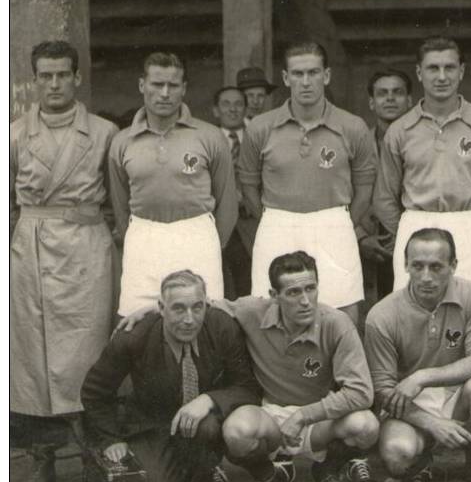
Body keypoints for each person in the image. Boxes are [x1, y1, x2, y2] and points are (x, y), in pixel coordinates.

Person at [10, 41, 119, 482]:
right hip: (31, 248)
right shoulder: (14, 134)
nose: (54, 84)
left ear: (77, 77)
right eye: (45, 76)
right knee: (32, 354)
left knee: (89, 349)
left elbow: (119, 199)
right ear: (35, 80)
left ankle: (95, 450)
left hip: (86, 251)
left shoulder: (105, 132)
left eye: (62, 75)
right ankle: (42, 456)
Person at [81, 270, 260, 482]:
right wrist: (111, 438)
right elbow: (94, 391)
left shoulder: (222, 327)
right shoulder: (133, 337)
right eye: (178, 309)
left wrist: (208, 399)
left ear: (206, 304)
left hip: (202, 428)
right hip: (152, 426)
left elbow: (247, 387)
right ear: (161, 309)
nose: (189, 319)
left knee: (207, 426)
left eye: (197, 308)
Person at [218, 251, 378, 482]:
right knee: (236, 432)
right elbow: (203, 306)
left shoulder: (336, 323)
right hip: (270, 415)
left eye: (310, 288)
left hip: (317, 418)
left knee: (366, 426)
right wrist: (148, 311)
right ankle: (266, 478)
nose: (305, 301)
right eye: (293, 292)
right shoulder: (251, 311)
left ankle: (328, 472)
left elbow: (362, 392)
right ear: (273, 294)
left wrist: (304, 416)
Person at [364, 228, 471, 482]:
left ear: (453, 265)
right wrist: (432, 423)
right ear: (405, 265)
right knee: (397, 454)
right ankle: (418, 469)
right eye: (418, 266)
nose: (426, 276)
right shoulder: (382, 315)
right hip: (408, 403)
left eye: (437, 267)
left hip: (456, 393)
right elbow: (384, 390)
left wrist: (423, 376)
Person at [239, 42, 376, 324]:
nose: (305, 82)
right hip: (278, 221)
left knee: (341, 311)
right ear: (286, 78)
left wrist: (342, 223)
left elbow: (364, 187)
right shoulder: (261, 127)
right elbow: (249, 185)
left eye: (313, 73)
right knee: (269, 309)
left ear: (326, 76)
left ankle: (342, 369)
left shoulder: (353, 126)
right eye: (298, 74)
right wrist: (272, 217)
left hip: (333, 222)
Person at [374, 36, 471, 298]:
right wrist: (411, 231)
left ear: (461, 71)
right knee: (414, 313)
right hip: (416, 226)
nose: (441, 76)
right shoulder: (399, 130)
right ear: (419, 72)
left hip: (470, 225)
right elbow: (384, 198)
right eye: (432, 68)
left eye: (449, 68)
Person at [108, 52, 237, 316]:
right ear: (142, 85)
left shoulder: (209, 137)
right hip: (144, 235)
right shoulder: (122, 142)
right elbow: (120, 205)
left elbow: (227, 201)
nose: (165, 93)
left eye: (173, 85)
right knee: (139, 322)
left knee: (203, 320)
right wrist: (139, 235)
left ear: (184, 89)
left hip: (196, 233)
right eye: (157, 84)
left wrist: (208, 241)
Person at [362, 69, 414, 307]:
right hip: (368, 242)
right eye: (382, 93)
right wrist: (361, 237)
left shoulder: (424, 141)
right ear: (372, 102)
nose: (390, 98)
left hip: (412, 242)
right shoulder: (356, 143)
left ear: (410, 101)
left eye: (398, 92)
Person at [213, 85, 256, 299]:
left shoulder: (257, 137)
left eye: (239, 104)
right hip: (219, 223)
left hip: (252, 224)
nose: (233, 109)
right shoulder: (207, 139)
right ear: (216, 110)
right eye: (226, 104)